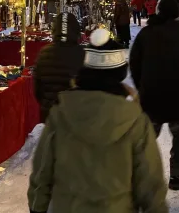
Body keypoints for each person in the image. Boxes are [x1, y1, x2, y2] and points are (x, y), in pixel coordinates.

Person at [28, 28, 168, 213]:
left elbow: (41, 173)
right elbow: (151, 184)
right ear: (120, 73)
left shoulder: (60, 113)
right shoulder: (135, 120)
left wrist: (37, 208)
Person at [130, 0, 179, 190]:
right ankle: (177, 175)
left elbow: (134, 64)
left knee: (146, 138)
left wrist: (141, 86)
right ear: (177, 13)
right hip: (176, 97)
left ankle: (139, 176)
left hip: (150, 97)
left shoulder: (146, 34)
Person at [33, 12, 84, 123]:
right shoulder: (83, 54)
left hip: (50, 114)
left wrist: (47, 102)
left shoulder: (44, 53)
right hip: (75, 115)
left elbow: (37, 88)